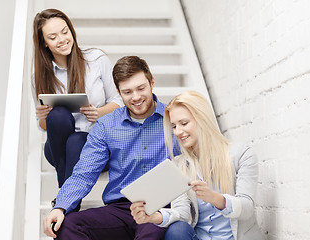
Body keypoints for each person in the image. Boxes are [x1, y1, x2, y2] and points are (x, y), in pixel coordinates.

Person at [43, 56, 177, 239]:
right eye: (128, 92)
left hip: (160, 206)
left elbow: (193, 163)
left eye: (141, 88)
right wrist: (60, 206)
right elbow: (84, 173)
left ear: (152, 83)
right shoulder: (106, 125)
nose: (136, 97)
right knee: (68, 225)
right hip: (121, 209)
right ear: (118, 92)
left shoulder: (175, 119)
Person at [130, 91, 264, 240]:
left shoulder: (241, 154)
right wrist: (155, 217)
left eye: (184, 123)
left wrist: (214, 198)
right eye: (174, 126)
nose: (178, 132)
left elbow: (246, 207)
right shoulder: (178, 165)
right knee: (177, 229)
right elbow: (182, 212)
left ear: (202, 120)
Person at [32, 9, 123, 191]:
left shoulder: (96, 59)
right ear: (44, 43)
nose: (62, 39)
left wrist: (99, 113)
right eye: (53, 37)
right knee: (57, 115)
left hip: (96, 146)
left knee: (76, 141)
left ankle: (64, 201)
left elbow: (119, 100)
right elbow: (43, 126)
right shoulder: (41, 75)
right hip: (58, 149)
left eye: (65, 32)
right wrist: (43, 116)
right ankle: (67, 200)